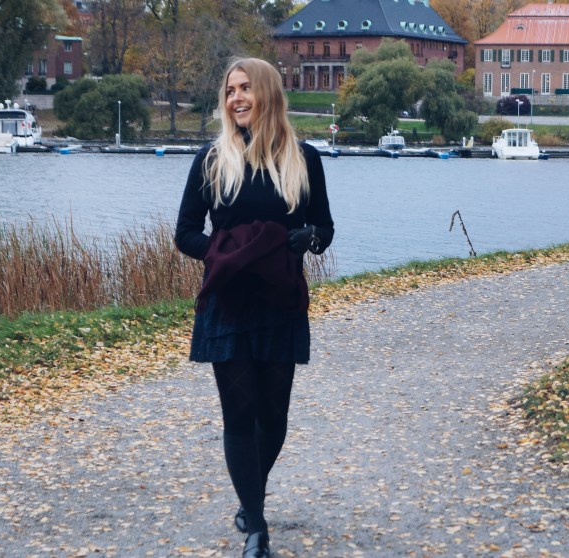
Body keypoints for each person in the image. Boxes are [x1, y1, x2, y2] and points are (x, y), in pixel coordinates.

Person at [175, 57, 334, 558]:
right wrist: (225, 254)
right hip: (228, 303)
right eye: (230, 90)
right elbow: (185, 233)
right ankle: (256, 528)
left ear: (267, 93)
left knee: (274, 416)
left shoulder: (304, 159)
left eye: (245, 88)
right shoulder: (211, 159)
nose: (236, 98)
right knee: (240, 415)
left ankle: (251, 496)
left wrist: (309, 238)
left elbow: (325, 229)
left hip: (281, 301)